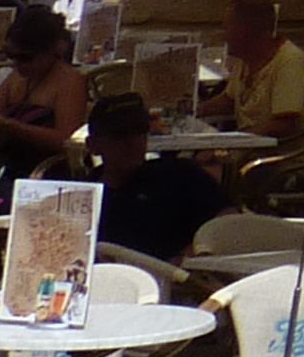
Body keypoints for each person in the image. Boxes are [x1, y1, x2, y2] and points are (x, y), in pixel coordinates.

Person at [80, 94, 224, 264]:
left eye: (140, 130)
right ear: (92, 145)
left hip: (186, 282)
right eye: (119, 135)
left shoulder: (179, 174)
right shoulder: (81, 200)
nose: (133, 141)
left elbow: (227, 219)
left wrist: (195, 254)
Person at [0, 13, 88, 190]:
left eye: (25, 58)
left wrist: (10, 125)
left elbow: (67, 141)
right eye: (11, 56)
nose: (17, 64)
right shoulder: (14, 78)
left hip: (38, 173)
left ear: (51, 51)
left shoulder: (69, 81)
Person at [222, 0, 304, 140]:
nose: (224, 35)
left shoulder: (289, 62)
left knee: (192, 161)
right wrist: (192, 110)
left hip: (281, 154)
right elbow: (227, 100)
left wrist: (230, 142)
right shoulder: (246, 59)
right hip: (246, 146)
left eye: (228, 28)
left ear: (247, 31)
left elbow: (282, 124)